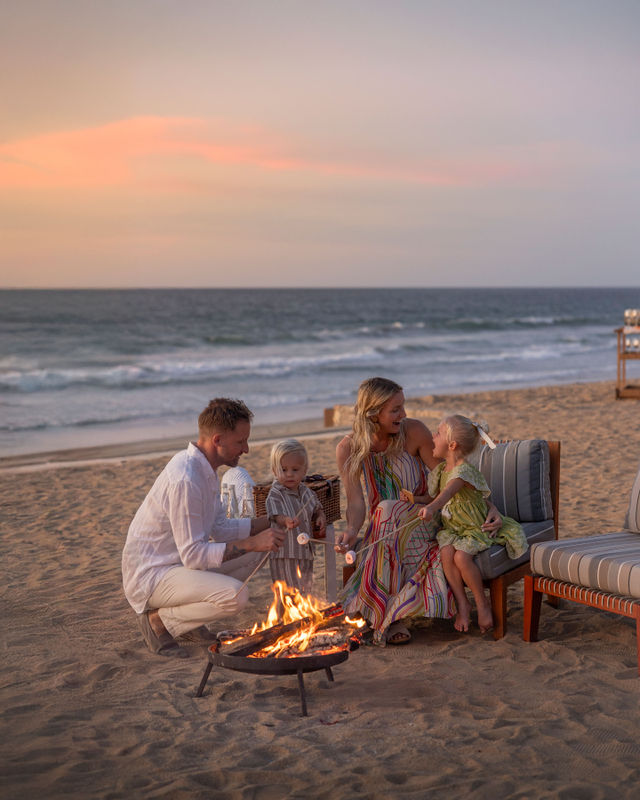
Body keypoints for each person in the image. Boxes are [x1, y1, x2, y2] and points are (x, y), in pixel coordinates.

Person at [335, 377, 502, 646]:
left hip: (428, 517)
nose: (404, 414)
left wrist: (488, 505)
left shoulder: (413, 432)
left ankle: (383, 616)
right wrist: (352, 531)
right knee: (386, 511)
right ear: (373, 413)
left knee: (387, 509)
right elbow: (356, 503)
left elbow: (451, 477)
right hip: (385, 528)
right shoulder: (349, 448)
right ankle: (390, 615)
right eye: (395, 409)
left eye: (403, 407)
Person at [122, 398, 285, 658]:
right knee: (236, 597)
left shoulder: (204, 469)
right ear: (217, 440)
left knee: (259, 552)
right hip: (153, 575)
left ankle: (190, 621)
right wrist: (253, 541)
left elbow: (219, 528)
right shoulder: (186, 478)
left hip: (177, 566)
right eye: (240, 441)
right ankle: (159, 622)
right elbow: (194, 556)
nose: (246, 449)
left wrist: (271, 522)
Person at [417, 414, 528, 633]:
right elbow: (434, 496)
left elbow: (446, 495)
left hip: (474, 528)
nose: (432, 436)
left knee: (461, 556)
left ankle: (481, 603)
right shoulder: (441, 470)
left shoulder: (462, 471)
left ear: (452, 444)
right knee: (446, 552)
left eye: (437, 433)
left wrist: (431, 508)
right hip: (455, 529)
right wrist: (416, 500)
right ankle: (463, 603)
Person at [265, 439, 327, 594]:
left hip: (305, 551)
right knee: (287, 591)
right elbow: (275, 515)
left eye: (295, 469)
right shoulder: (276, 493)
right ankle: (284, 615)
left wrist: (320, 516)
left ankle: (304, 614)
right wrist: (285, 520)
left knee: (305, 588)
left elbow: (317, 507)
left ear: (304, 470)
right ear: (274, 470)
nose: (289, 475)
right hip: (285, 552)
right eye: (284, 470)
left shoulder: (307, 492)